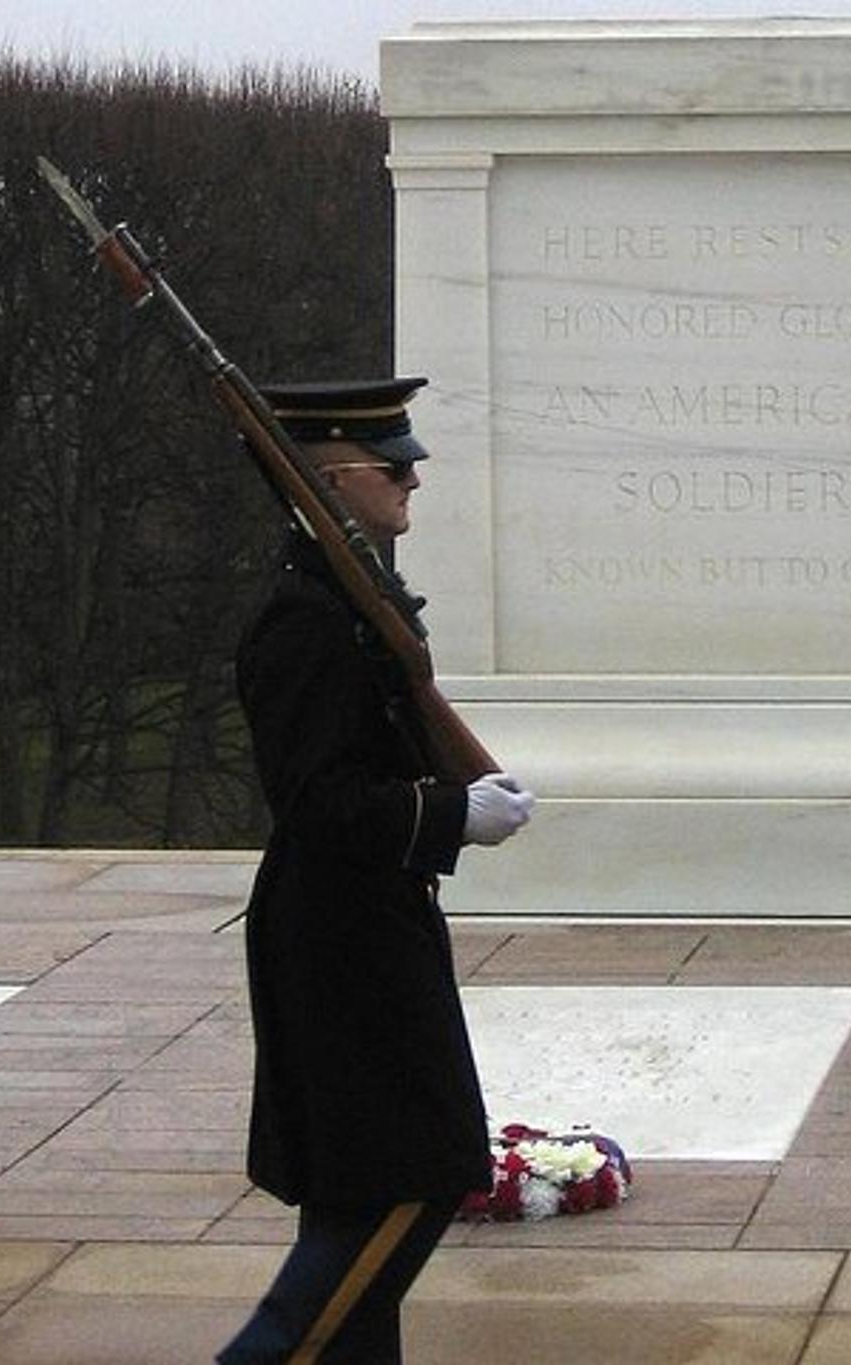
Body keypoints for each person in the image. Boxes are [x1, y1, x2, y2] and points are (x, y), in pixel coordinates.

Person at [218, 376, 534, 1364]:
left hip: (363, 925)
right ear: (330, 478)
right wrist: (450, 814)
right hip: (341, 940)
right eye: (393, 467)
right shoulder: (307, 622)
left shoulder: (346, 600)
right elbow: (317, 804)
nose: (411, 483)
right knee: (407, 1179)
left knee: (366, 1190)